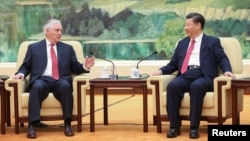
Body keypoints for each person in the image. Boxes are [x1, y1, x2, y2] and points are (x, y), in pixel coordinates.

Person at [152, 12, 235, 139]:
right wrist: (161, 71)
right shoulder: (182, 43)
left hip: (203, 76)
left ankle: (194, 127)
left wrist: (227, 70)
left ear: (198, 25)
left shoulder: (212, 41)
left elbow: (221, 58)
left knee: (196, 87)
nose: (185, 28)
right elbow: (173, 64)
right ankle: (174, 127)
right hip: (185, 75)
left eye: (188, 25)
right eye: (185, 25)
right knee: (173, 87)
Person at [13, 19, 95, 138]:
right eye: (57, 30)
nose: (60, 33)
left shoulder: (68, 48)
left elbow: (75, 67)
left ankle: (67, 124)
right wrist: (20, 74)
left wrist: (84, 66)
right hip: (42, 79)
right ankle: (32, 125)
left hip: (60, 79)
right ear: (47, 31)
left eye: (61, 30)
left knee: (66, 86)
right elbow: (26, 66)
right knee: (36, 87)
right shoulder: (34, 48)